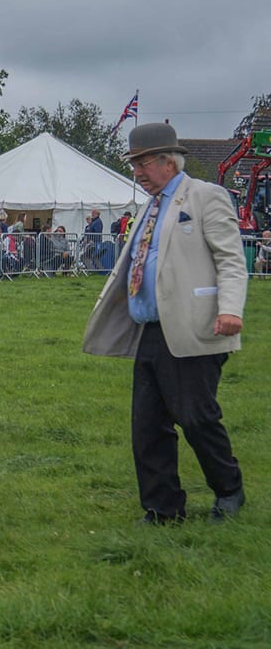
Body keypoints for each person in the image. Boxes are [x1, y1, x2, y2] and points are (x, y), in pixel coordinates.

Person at [83, 122, 247, 525]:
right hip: (150, 331)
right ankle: (162, 509)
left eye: (141, 163)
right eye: (134, 163)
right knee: (148, 426)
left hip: (197, 327)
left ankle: (229, 489)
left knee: (196, 417)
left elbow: (230, 259)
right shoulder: (149, 208)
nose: (136, 171)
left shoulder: (207, 196)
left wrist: (231, 310)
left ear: (167, 162)